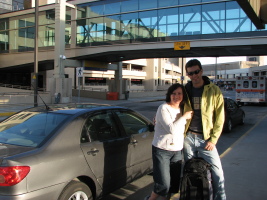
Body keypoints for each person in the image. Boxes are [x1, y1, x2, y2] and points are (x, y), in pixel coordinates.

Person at [183, 59, 226, 200]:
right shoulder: (185, 90)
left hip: (206, 139)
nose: (194, 75)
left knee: (218, 174)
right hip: (188, 138)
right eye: (190, 73)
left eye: (196, 72)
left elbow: (220, 118)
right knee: (189, 173)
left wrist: (213, 140)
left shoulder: (214, 90)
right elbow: (173, 106)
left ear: (201, 71)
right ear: (187, 74)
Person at [146, 83, 193, 200]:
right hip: (162, 150)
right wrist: (184, 117)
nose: (176, 96)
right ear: (169, 95)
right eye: (174, 93)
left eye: (179, 93)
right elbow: (171, 129)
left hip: (177, 151)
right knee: (163, 184)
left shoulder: (183, 109)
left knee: (173, 185)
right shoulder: (163, 108)